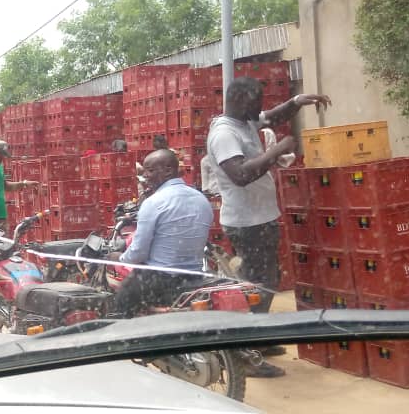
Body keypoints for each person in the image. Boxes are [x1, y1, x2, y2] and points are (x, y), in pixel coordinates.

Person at [207, 77, 331, 376]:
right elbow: (239, 174)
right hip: (247, 223)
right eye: (256, 101)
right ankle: (244, 354)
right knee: (255, 285)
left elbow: (271, 117)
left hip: (259, 218)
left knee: (265, 280)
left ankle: (257, 341)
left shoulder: (243, 121)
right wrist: (277, 151)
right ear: (239, 100)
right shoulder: (225, 133)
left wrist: (297, 101)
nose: (260, 108)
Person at [108, 150, 212, 319]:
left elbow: (138, 253)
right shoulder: (201, 199)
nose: (145, 176)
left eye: (150, 170)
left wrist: (118, 258)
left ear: (169, 170)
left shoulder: (154, 203)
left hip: (160, 282)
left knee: (121, 304)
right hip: (195, 277)